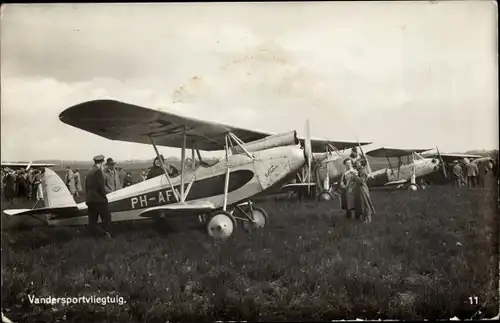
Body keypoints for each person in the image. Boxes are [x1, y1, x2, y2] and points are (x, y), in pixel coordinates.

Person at [85, 154, 111, 238]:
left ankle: (94, 236)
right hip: (99, 200)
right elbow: (101, 187)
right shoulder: (98, 172)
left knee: (92, 220)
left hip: (90, 200)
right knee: (106, 218)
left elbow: (86, 186)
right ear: (101, 163)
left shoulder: (89, 171)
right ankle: (104, 234)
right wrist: (105, 198)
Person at [353, 159, 376, 224]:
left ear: (361, 164)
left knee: (365, 203)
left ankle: (368, 220)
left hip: (362, 189)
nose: (356, 165)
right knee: (362, 203)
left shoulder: (363, 171)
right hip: (359, 189)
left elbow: (361, 181)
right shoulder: (359, 171)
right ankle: (365, 219)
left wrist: (356, 175)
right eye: (356, 163)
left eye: (358, 163)